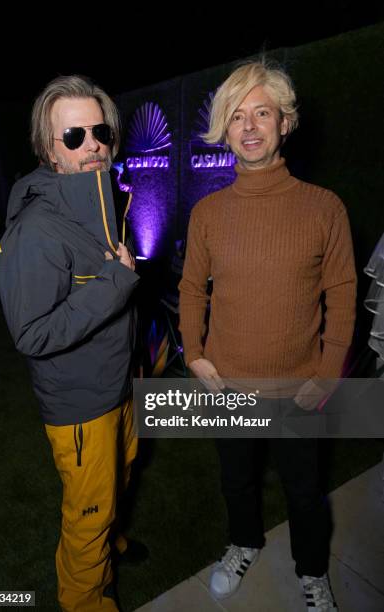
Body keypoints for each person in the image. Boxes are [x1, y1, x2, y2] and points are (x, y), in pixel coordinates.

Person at [179, 60, 357, 611]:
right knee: (237, 482)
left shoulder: (325, 207)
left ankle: (312, 574)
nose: (250, 126)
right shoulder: (208, 212)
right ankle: (244, 541)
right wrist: (194, 354)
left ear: (285, 123)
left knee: (305, 495)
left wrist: (327, 375)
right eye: (236, 116)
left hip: (299, 391)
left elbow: (344, 294)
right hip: (227, 385)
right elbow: (191, 288)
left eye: (262, 113)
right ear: (224, 130)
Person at [0, 75, 145, 612]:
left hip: (119, 387)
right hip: (80, 406)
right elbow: (32, 333)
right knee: (88, 515)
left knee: (119, 478)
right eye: (74, 136)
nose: (94, 145)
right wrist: (113, 283)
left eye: (100, 130)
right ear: (48, 150)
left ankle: (109, 541)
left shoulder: (101, 203)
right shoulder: (37, 229)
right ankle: (87, 595)